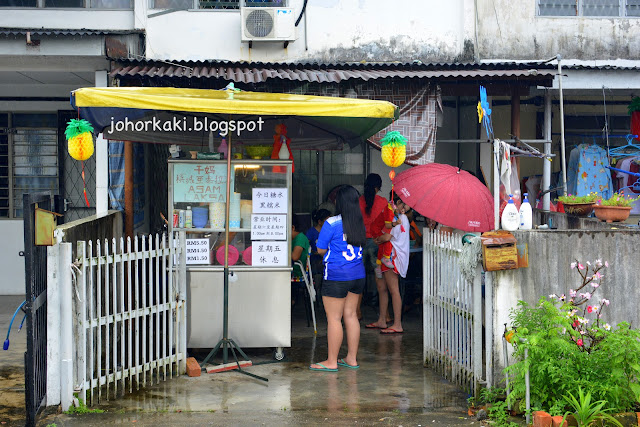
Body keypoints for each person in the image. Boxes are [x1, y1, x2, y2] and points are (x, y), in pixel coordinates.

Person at [310, 185, 366, 372]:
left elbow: (320, 249)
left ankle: (331, 361)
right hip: (357, 274)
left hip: (336, 275)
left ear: (338, 202)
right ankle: (351, 358)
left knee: (334, 318)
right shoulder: (359, 221)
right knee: (350, 316)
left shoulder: (331, 222)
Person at [373, 194, 410, 335]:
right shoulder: (395, 216)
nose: (405, 208)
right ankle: (382, 319)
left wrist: (378, 239)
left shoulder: (400, 218)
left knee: (393, 290)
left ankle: (397, 324)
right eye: (404, 205)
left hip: (392, 256)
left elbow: (387, 236)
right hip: (386, 255)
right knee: (382, 287)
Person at [358, 173, 388, 321]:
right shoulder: (383, 202)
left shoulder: (358, 202)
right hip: (377, 244)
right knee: (380, 278)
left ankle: (357, 312)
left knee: (358, 278)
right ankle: (386, 315)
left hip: (360, 244)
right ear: (378, 187)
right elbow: (387, 224)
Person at [291, 214, 310, 279]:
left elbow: (295, 257)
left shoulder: (300, 238)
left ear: (292, 228)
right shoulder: (294, 239)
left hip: (297, 274)